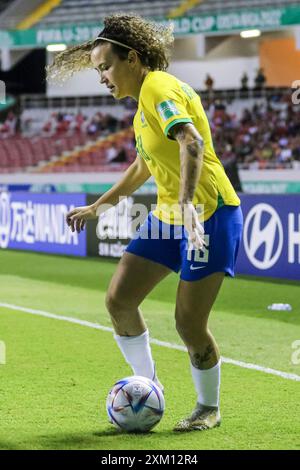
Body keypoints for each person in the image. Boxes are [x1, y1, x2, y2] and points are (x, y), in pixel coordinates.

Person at [47, 14, 243, 432]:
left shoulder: (158, 87)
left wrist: (188, 203)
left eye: (105, 66)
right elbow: (142, 167)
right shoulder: (141, 107)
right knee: (119, 299)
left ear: (132, 58)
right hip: (168, 217)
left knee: (189, 324)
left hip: (207, 214)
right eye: (98, 69)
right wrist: (97, 207)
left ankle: (208, 407)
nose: (101, 77)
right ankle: (149, 387)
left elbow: (191, 141)